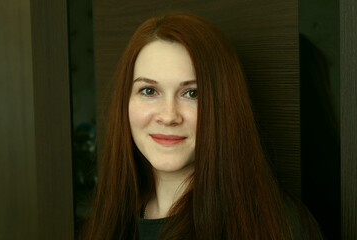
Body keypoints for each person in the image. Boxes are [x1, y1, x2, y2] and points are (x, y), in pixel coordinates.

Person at [81, 13, 322, 240]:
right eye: (149, 91)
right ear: (125, 101)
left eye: (192, 93)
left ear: (223, 106)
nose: (168, 116)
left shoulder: (276, 223)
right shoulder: (106, 222)